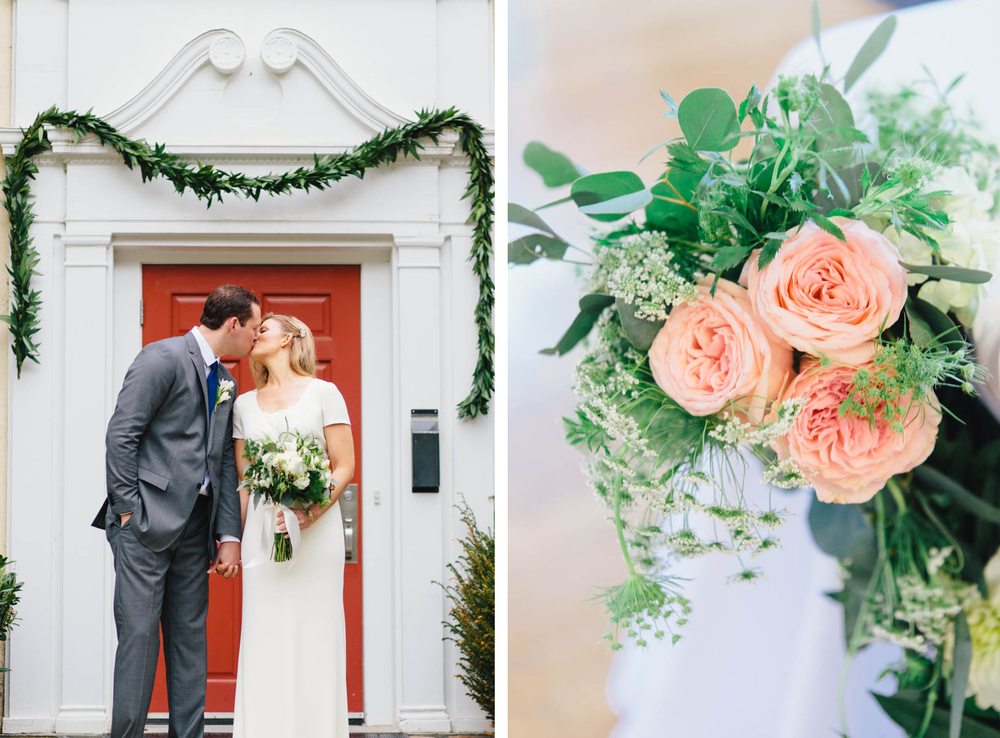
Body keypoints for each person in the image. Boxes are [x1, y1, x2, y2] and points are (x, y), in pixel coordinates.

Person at [94, 285, 262, 738]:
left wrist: (229, 536)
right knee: (140, 644)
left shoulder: (225, 381)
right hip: (144, 524)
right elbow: (121, 437)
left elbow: (224, 462)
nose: (255, 337)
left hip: (195, 530)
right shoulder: (161, 358)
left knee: (190, 644)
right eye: (253, 327)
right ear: (233, 324)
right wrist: (128, 511)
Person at [231, 313, 355, 738]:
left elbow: (344, 466)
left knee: (315, 636)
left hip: (315, 538)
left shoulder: (325, 393)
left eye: (263, 328)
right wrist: (233, 540)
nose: (254, 335)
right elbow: (246, 482)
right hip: (264, 539)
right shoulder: (243, 405)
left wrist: (309, 514)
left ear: (289, 338)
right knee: (265, 637)